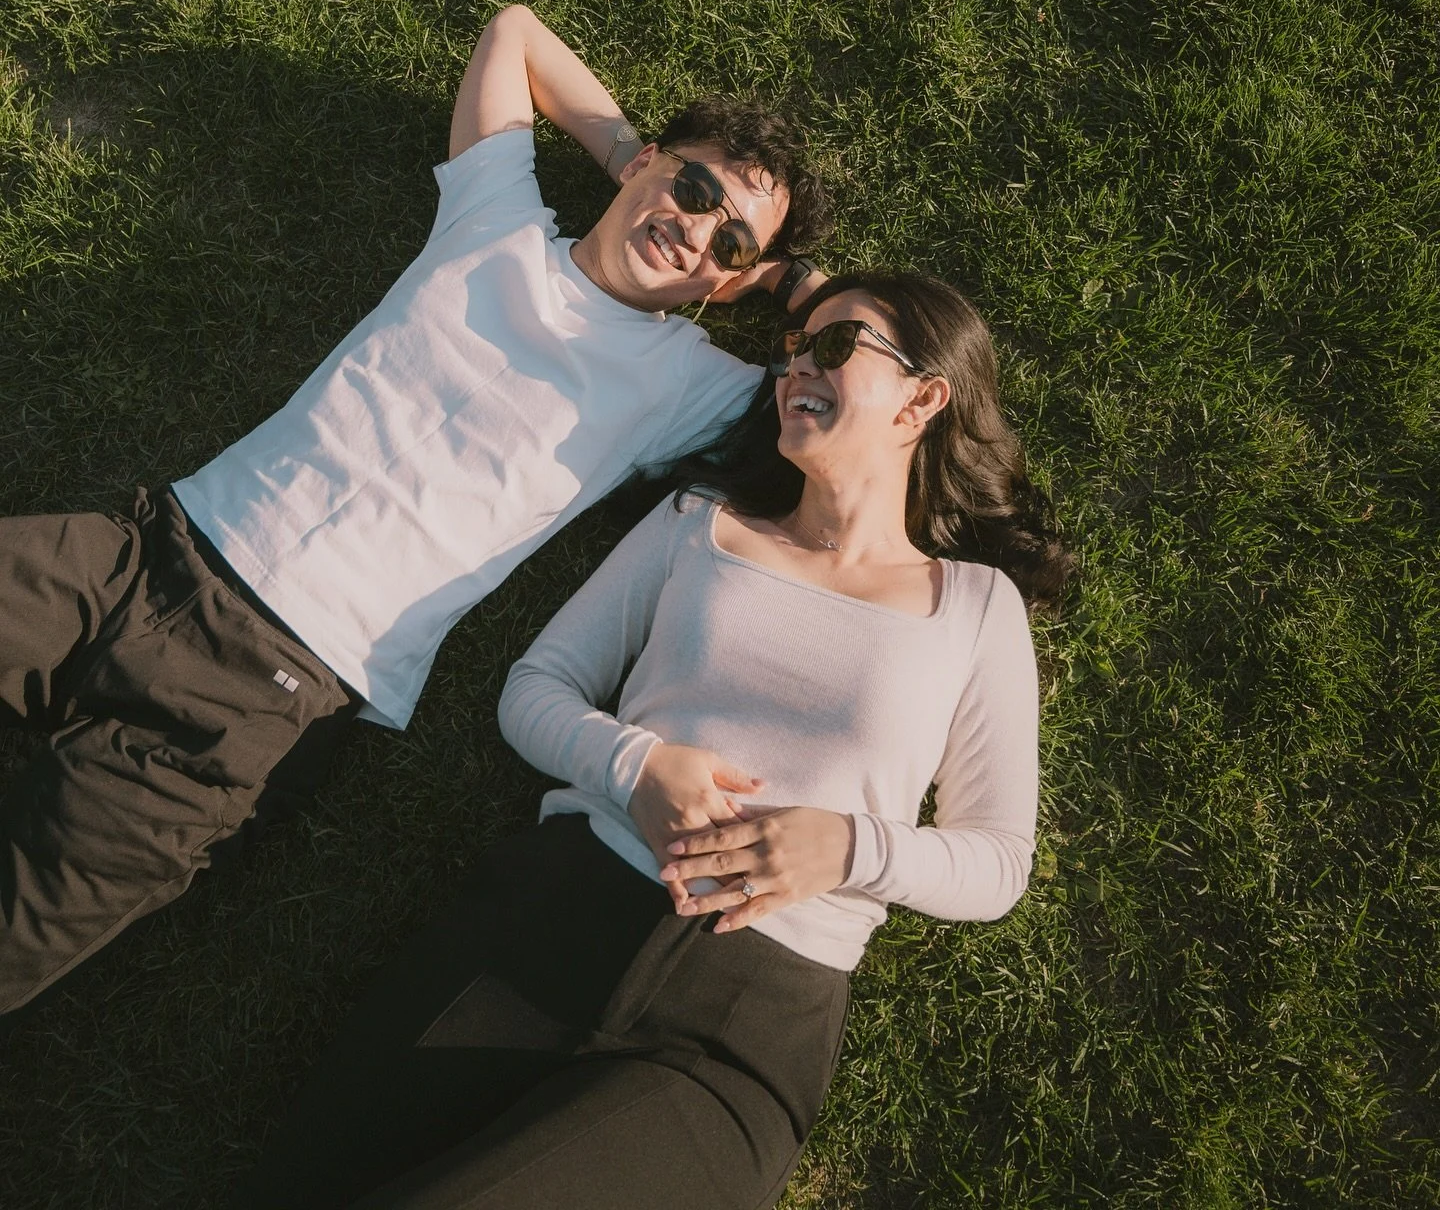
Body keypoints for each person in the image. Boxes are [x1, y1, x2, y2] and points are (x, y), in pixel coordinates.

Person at [0, 6, 829, 1018]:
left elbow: (853, 394)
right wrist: (614, 151)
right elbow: (516, 36)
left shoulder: (690, 384)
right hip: (136, 559)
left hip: (258, 698)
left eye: (729, 240)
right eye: (692, 186)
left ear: (730, 281)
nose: (695, 227)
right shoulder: (497, 222)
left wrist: (798, 288)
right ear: (650, 165)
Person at [231, 271, 1074, 1210]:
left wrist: (846, 845)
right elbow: (536, 688)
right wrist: (633, 768)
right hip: (544, 928)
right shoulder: (696, 524)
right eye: (793, 349)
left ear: (924, 397)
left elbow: (996, 863)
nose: (798, 363)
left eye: (836, 345)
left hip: (746, 1020)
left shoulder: (974, 608)